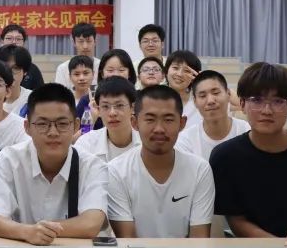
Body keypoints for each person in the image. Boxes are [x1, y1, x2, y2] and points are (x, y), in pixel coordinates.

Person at [0, 84, 109, 245]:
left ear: (76, 126)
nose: (53, 132)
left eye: (62, 124)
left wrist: (39, 231)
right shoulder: (8, 160)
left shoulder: (93, 166)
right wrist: (28, 232)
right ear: (27, 127)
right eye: (42, 124)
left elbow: (91, 224)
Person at [210, 63, 287, 238]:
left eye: (278, 101)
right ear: (242, 104)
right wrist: (280, 247)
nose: (267, 110)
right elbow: (236, 219)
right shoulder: (225, 156)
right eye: (257, 100)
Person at [108, 86, 214, 238]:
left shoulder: (199, 170)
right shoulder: (116, 171)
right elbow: (127, 241)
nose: (159, 129)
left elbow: (199, 239)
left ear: (182, 123)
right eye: (150, 119)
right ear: (134, 122)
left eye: (168, 120)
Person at [175, 70, 250, 161]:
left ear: (228, 94)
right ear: (195, 102)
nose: (210, 101)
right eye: (202, 96)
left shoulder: (247, 131)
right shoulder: (186, 141)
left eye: (216, 93)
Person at [74, 77, 141, 162]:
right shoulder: (86, 144)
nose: (112, 113)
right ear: (98, 110)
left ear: (133, 107)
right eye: (105, 106)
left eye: (119, 105)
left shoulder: (146, 142)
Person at [76, 49, 137, 128]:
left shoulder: (139, 99)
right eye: (110, 70)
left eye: (121, 70)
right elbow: (74, 134)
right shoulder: (87, 101)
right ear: (102, 74)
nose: (116, 74)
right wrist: (92, 119)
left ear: (129, 73)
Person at [163, 49, 203, 130]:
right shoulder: (153, 98)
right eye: (175, 68)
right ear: (166, 71)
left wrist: (204, 83)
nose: (180, 74)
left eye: (187, 71)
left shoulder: (201, 104)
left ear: (194, 76)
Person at [54, 23, 101, 90]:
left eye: (89, 41)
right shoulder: (63, 69)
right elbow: (59, 94)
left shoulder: (102, 66)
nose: (85, 46)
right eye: (81, 41)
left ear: (95, 41)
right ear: (74, 42)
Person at [0, 24, 45, 90]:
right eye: (9, 38)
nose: (14, 42)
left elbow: (40, 93)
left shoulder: (32, 68)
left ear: (23, 43)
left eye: (18, 39)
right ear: (2, 41)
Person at [0, 44, 33, 116]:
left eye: (16, 68)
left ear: (25, 71)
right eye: (5, 67)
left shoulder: (33, 99)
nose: (10, 73)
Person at [67, 55, 95, 119]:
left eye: (86, 73)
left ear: (93, 74)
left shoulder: (99, 100)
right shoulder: (66, 103)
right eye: (77, 74)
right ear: (70, 77)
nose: (81, 78)